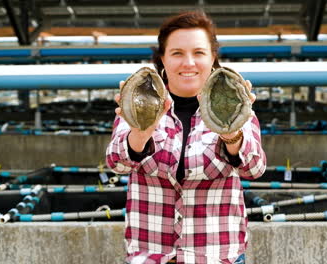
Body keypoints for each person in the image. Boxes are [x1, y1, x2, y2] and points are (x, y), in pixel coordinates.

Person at [106, 11, 266, 264]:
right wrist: (141, 132)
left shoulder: (236, 108)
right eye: (177, 53)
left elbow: (255, 168)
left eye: (199, 53)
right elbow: (117, 163)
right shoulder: (137, 104)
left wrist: (231, 134)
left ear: (213, 58)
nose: (188, 62)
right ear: (163, 59)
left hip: (217, 256)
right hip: (150, 257)